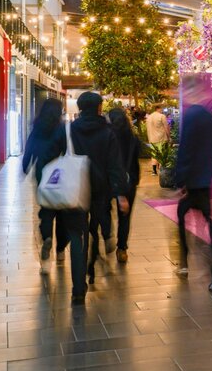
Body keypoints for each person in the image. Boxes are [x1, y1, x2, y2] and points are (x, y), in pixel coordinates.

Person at [71, 91, 130, 296]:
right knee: (94, 227)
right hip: (100, 189)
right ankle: (92, 263)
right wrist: (121, 194)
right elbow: (115, 165)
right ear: (98, 108)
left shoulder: (70, 130)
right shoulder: (108, 132)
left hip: (75, 187)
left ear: (79, 108)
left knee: (79, 233)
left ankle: (78, 285)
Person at [173, 104, 212, 291]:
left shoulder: (192, 117)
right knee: (208, 223)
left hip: (192, 183)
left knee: (182, 219)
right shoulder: (210, 118)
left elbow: (185, 151)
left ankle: (185, 264)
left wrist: (180, 180)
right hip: (205, 181)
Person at [22, 98, 68, 269]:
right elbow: (68, 151)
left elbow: (29, 150)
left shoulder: (37, 128)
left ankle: (47, 237)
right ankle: (61, 249)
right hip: (60, 175)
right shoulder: (62, 128)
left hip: (42, 175)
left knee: (46, 211)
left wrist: (25, 166)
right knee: (62, 213)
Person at [107, 107, 141, 264]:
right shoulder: (133, 137)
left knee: (105, 211)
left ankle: (108, 236)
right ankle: (122, 249)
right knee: (125, 217)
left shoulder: (107, 135)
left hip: (109, 180)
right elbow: (136, 158)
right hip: (129, 181)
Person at [145, 106, 169, 175]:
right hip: (161, 138)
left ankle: (154, 171)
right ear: (158, 108)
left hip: (152, 139)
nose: (162, 110)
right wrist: (169, 136)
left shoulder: (149, 117)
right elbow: (166, 127)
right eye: (161, 108)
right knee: (162, 154)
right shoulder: (162, 116)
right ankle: (162, 171)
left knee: (154, 154)